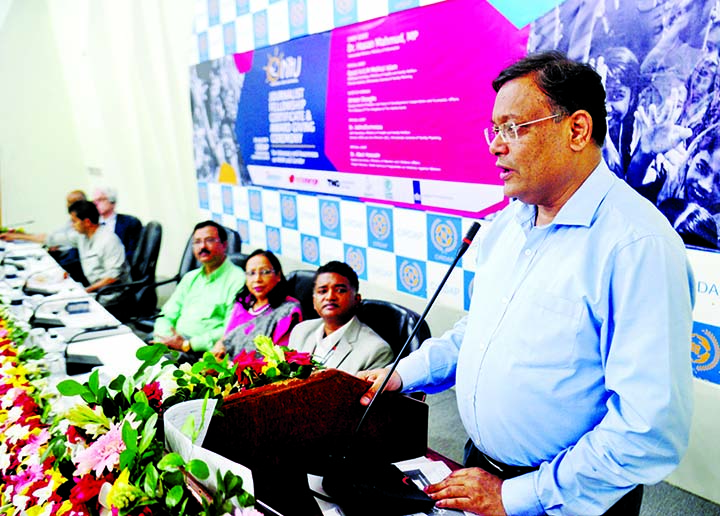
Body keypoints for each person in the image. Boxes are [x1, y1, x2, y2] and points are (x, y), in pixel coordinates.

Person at [360, 51, 694, 516]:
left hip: (563, 498)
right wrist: (400, 375)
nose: (496, 146)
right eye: (494, 131)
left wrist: (516, 496)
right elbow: (476, 335)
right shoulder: (506, 227)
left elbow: (647, 429)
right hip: (478, 470)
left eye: (512, 128)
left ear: (577, 130)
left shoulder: (636, 246)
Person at [154, 221, 245, 357]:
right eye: (197, 242)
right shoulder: (190, 277)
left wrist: (189, 344)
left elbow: (231, 329)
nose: (202, 246)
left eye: (209, 240)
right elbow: (167, 314)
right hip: (172, 342)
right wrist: (164, 338)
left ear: (224, 245)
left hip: (201, 352)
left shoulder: (238, 280)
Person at [288, 261, 393, 375]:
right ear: (314, 301)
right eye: (323, 291)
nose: (330, 297)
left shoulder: (376, 350)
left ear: (357, 299)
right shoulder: (300, 331)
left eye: (340, 290)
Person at [212, 249, 302, 359]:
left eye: (265, 272)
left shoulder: (289, 311)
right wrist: (220, 345)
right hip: (225, 366)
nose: (257, 279)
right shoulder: (243, 303)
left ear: (278, 275)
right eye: (251, 273)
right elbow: (228, 336)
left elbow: (280, 358)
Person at [47, 200, 130, 306]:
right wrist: (23, 236)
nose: (72, 225)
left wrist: (86, 291)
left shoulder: (109, 240)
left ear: (87, 222)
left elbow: (113, 277)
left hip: (112, 296)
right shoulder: (82, 237)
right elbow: (53, 239)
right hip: (96, 290)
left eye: (74, 221)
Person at [92, 186, 142, 262]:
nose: (95, 204)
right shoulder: (91, 224)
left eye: (100, 200)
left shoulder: (130, 222)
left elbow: (134, 251)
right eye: (94, 201)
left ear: (112, 202)